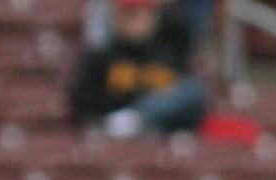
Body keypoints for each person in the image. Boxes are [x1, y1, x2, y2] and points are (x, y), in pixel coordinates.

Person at [68, 0, 206, 138]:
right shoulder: (101, 57)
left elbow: (191, 103)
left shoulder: (169, 52)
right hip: (114, 128)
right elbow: (81, 102)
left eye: (141, 13)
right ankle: (131, 120)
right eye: (129, 14)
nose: (135, 21)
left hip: (159, 131)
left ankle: (136, 119)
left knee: (191, 91)